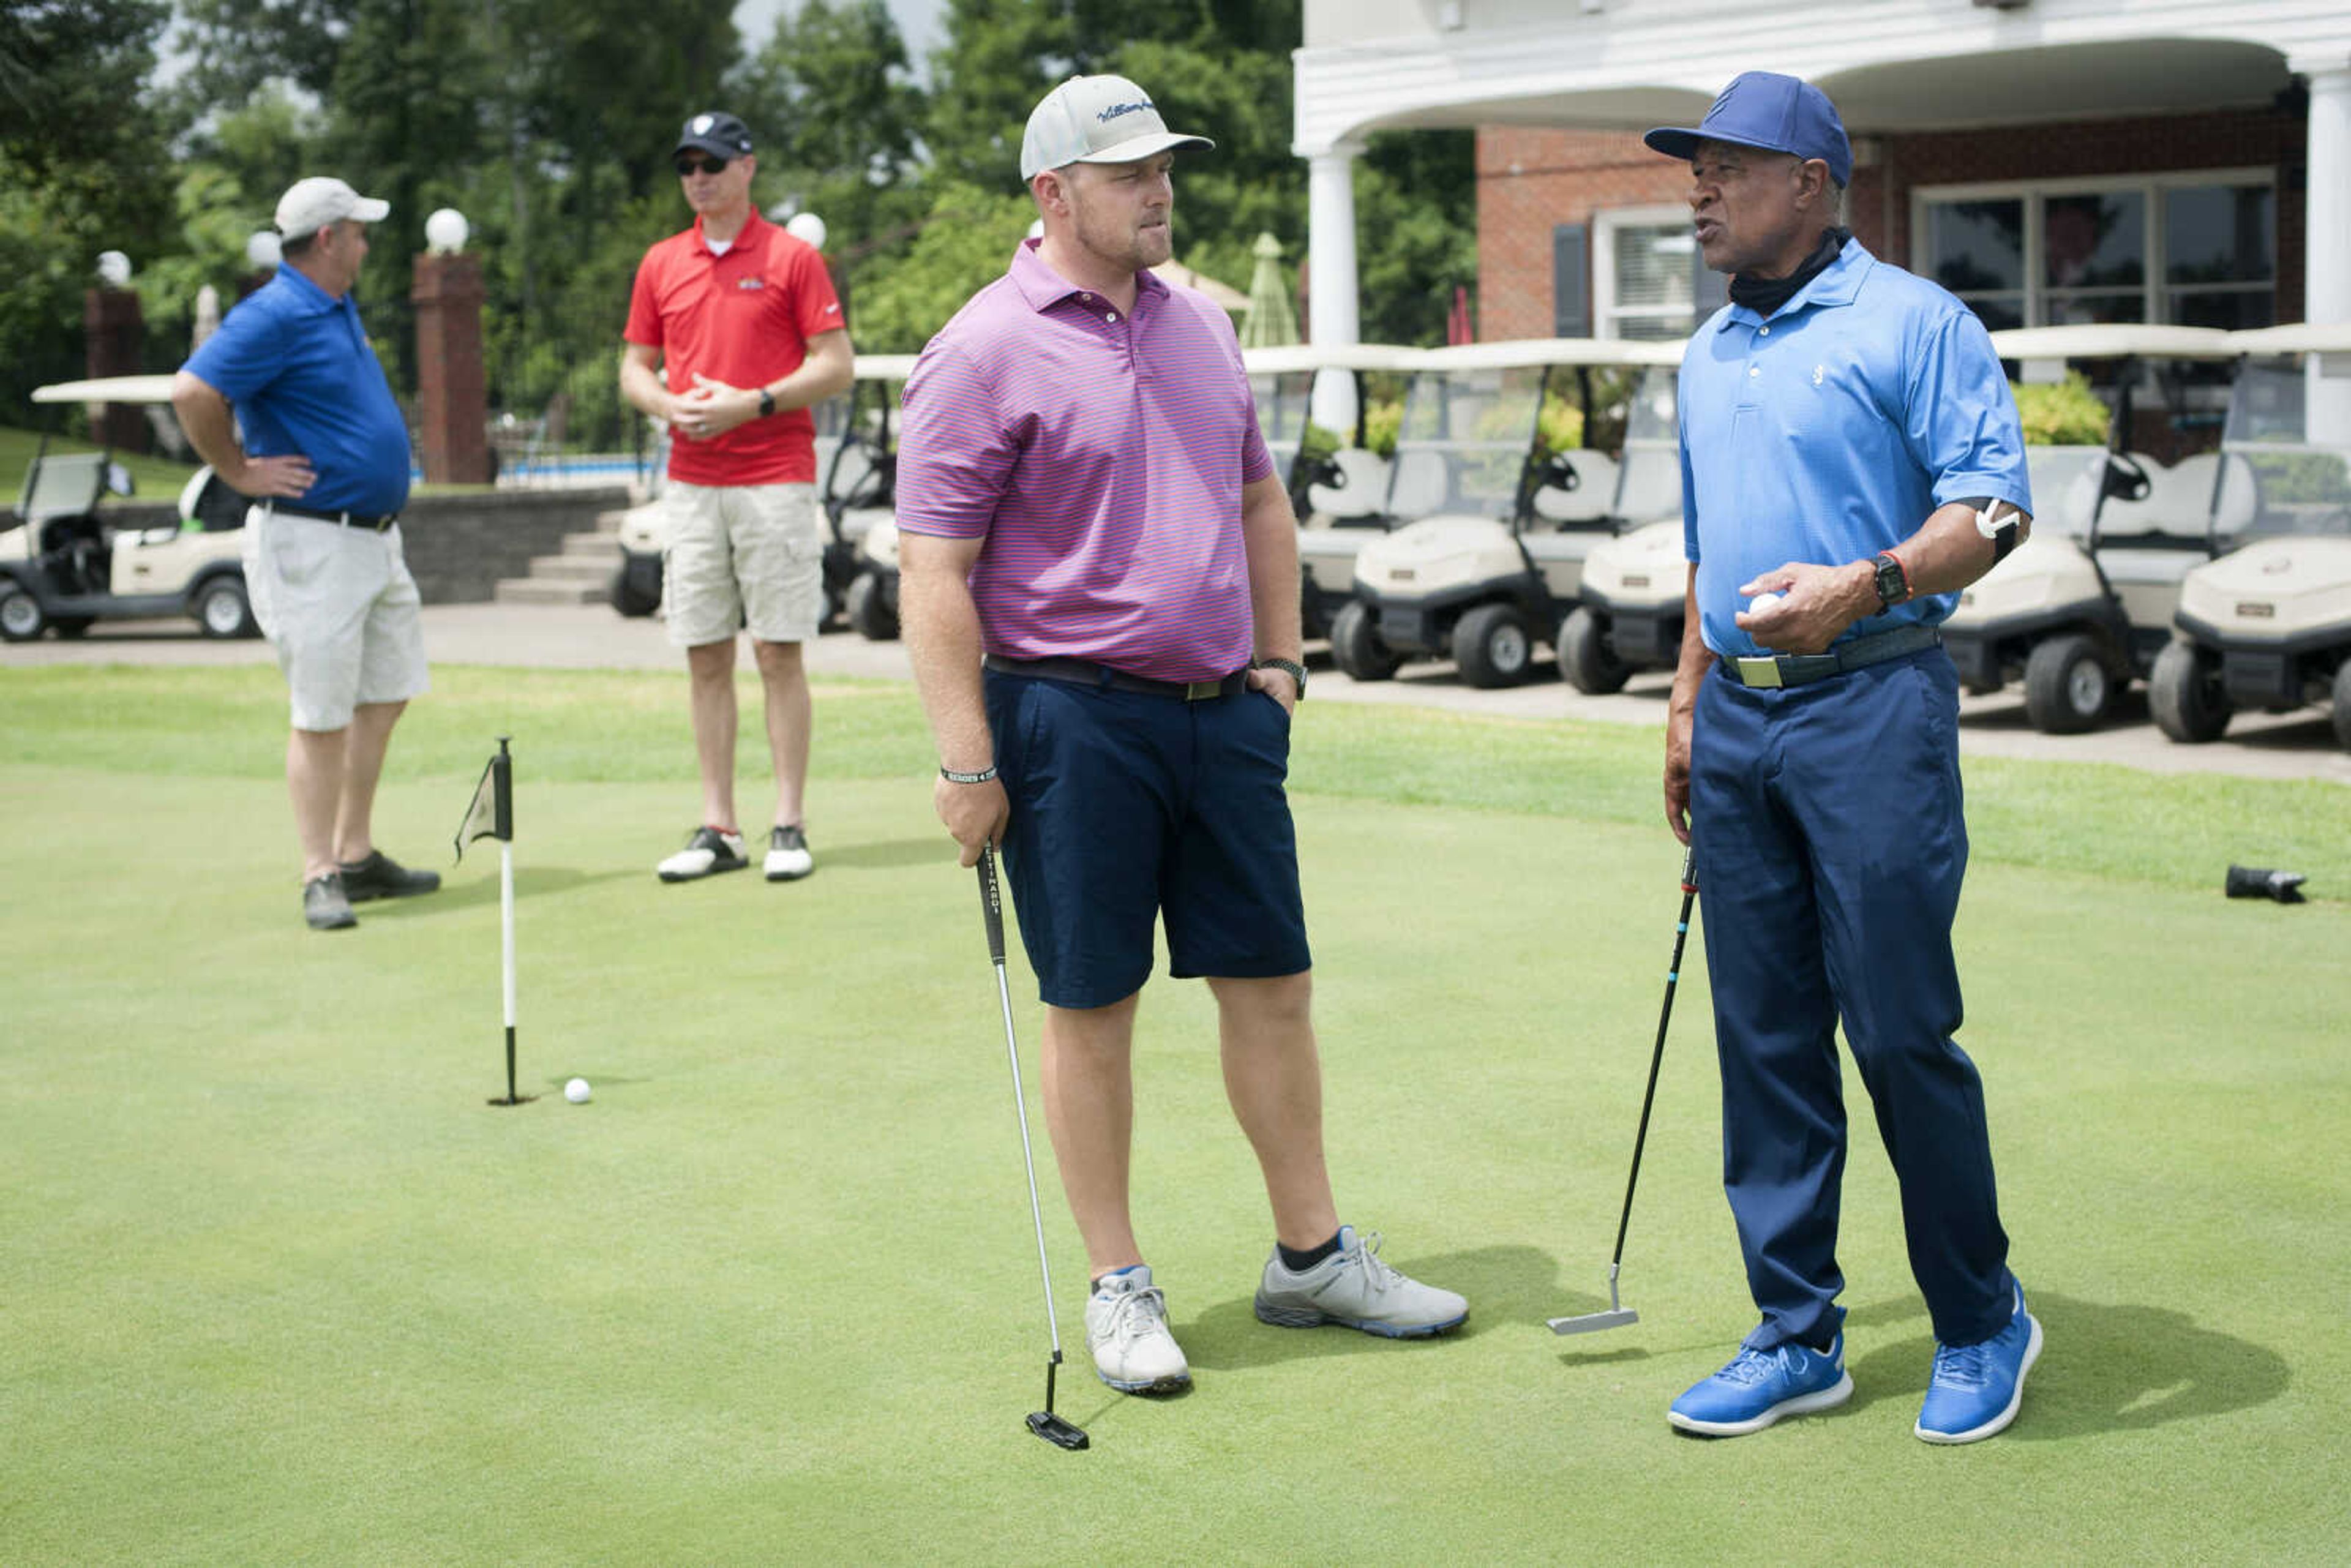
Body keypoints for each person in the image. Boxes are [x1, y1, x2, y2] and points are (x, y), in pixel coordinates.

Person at [894, 74, 1467, 1397]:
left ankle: (1312, 1255)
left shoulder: (1200, 323)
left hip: (1224, 715)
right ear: (1053, 194)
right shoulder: (981, 347)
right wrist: (966, 759)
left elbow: (1263, 503)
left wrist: (1281, 660)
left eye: (1166, 168)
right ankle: (1119, 1281)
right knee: (1092, 1003)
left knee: (1272, 984)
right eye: (1129, 173)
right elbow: (935, 572)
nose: (1159, 189)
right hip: (1068, 721)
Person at [1646, 72, 2041, 1444]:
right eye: (1693, 171)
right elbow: (1710, 548)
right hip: (1742, 722)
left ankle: (1984, 1316)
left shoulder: (1914, 321)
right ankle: (1796, 1329)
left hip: (1873, 704)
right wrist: (1689, 702)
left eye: (1727, 170)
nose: (1698, 191)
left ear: (1810, 181)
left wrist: (1868, 581)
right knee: (1763, 1040)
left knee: (1894, 1027)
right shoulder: (1706, 352)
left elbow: (1993, 508)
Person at [173, 177, 440, 932]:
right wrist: (236, 470)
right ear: (327, 238)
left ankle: (355, 853)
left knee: (385, 692)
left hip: (376, 539)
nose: (366, 242)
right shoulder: (278, 312)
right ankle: (319, 871)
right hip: (311, 539)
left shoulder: (335, 304)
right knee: (321, 712)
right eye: (358, 231)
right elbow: (193, 391)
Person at [621, 110, 854, 885]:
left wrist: (750, 402)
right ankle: (719, 824)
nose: (698, 177)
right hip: (691, 484)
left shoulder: (792, 258)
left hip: (773, 478)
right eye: (688, 165)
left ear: (747, 168)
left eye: (713, 163)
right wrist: (667, 406)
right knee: (704, 652)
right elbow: (634, 368)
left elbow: (835, 364)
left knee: (778, 650)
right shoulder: (661, 262)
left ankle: (787, 821)